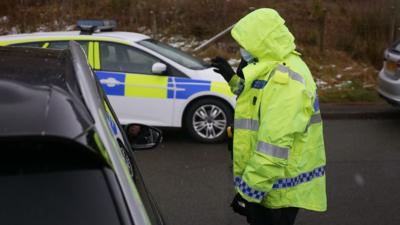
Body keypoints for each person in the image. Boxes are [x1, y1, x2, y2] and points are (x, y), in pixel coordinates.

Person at [212, 8, 327, 225]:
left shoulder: (286, 79)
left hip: (276, 190)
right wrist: (234, 80)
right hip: (268, 183)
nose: (241, 50)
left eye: (245, 44)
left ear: (261, 41)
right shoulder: (272, 65)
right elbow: (258, 98)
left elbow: (273, 147)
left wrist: (249, 193)